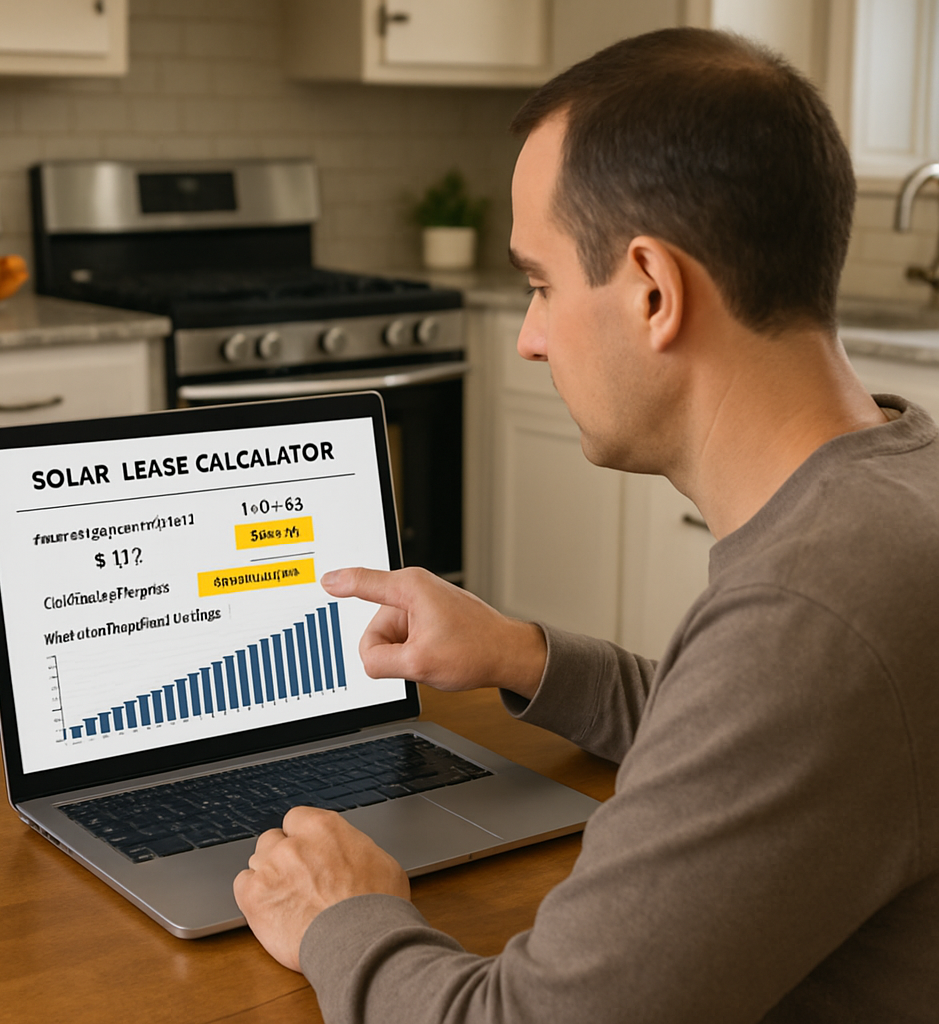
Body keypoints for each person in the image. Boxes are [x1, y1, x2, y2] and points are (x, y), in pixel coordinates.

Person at [233, 27, 939, 1023]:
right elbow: (754, 739)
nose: (529, 337)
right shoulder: (898, 490)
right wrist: (520, 653)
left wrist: (339, 916)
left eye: (541, 284)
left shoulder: (811, 609)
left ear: (653, 290)